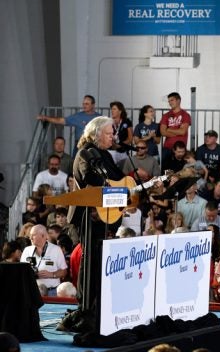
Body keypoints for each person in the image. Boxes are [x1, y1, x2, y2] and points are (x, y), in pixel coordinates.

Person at [69, 116, 125, 328]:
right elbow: (90, 180)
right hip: (88, 215)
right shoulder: (86, 154)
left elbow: (120, 179)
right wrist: (109, 185)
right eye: (110, 133)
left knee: (101, 262)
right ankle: (86, 308)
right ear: (96, 133)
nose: (113, 137)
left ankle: (100, 304)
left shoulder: (106, 155)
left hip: (106, 217)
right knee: (90, 260)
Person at [21, 224, 67, 296]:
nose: (30, 238)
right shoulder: (27, 250)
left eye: (33, 235)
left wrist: (52, 274)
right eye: (30, 235)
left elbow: (64, 271)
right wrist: (34, 274)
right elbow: (22, 271)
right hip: (32, 292)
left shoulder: (56, 249)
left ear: (43, 236)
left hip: (51, 292)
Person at [159, 92, 191, 156]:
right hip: (167, 148)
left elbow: (182, 132)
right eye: (169, 101)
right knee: (165, 166)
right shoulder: (166, 115)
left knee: (180, 166)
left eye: (172, 100)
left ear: (178, 100)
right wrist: (177, 131)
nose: (170, 103)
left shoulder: (185, 115)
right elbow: (163, 132)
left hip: (180, 149)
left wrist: (168, 129)